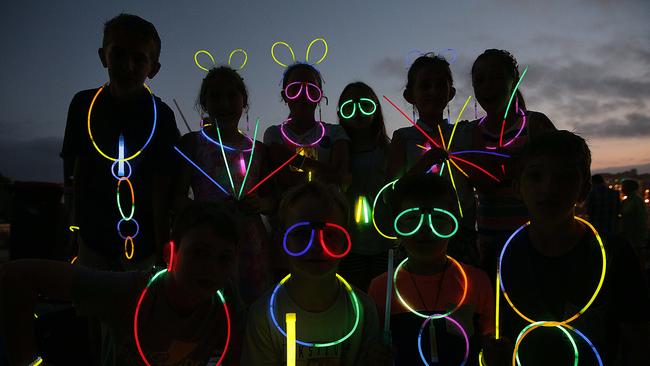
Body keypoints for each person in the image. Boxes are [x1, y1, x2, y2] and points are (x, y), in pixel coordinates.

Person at [0, 202, 244, 366]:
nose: (211, 268)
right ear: (171, 255)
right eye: (198, 253)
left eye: (224, 258)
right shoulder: (129, 291)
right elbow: (17, 275)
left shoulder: (227, 300)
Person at [483, 130, 649, 365]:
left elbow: (638, 337)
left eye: (564, 178)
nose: (549, 188)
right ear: (517, 187)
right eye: (536, 176)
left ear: (584, 189)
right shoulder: (501, 252)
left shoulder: (614, 252)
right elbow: (492, 329)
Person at [60, 13, 179, 270]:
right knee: (91, 307)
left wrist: (162, 251)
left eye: (139, 58)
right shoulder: (83, 105)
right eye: (119, 54)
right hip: (92, 239)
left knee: (136, 308)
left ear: (154, 68)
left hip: (144, 245)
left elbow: (162, 188)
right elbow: (75, 175)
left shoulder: (163, 117)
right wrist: (73, 230)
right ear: (104, 56)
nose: (128, 66)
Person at [241, 181, 382, 365]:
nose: (316, 245)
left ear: (346, 241)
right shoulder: (263, 317)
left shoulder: (363, 310)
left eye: (330, 234)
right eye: (301, 234)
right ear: (282, 239)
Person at [368, 174, 494, 365]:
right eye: (412, 218)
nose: (425, 228)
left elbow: (488, 344)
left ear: (454, 224)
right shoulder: (381, 289)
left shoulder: (476, 283)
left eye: (438, 218)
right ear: (396, 226)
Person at [174, 66, 274, 305]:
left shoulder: (258, 150)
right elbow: (176, 198)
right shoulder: (192, 143)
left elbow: (274, 201)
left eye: (231, 96)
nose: (224, 104)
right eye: (215, 97)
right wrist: (206, 212)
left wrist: (258, 203)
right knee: (211, 310)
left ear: (244, 101)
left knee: (252, 311)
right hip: (208, 243)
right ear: (204, 103)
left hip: (251, 246)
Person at [467, 49, 556, 280]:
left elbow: (558, 171)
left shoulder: (535, 124)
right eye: (480, 80)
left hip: (537, 237)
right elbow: (480, 183)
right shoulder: (474, 131)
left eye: (497, 77)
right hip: (489, 242)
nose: (488, 85)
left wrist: (507, 168)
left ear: (514, 80)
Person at [386, 54, 479, 266]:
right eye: (425, 86)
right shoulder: (403, 137)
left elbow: (478, 179)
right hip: (415, 233)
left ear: (451, 92)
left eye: (440, 85)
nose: (433, 92)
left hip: (460, 233)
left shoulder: (464, 133)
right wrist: (424, 163)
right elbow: (391, 192)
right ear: (410, 95)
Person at [336, 81, 393, 291]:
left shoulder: (389, 151)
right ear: (341, 113)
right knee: (355, 299)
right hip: (350, 244)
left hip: (385, 243)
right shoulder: (339, 153)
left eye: (365, 104)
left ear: (376, 109)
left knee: (385, 301)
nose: (358, 111)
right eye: (349, 106)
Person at [263, 63, 350, 190]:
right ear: (284, 96)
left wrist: (289, 158)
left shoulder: (336, 132)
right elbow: (278, 180)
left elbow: (340, 178)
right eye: (295, 88)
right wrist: (324, 172)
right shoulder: (274, 133)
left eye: (311, 89)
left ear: (319, 96)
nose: (303, 94)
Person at [619, 179, 648, 267]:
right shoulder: (628, 200)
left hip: (635, 236)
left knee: (637, 259)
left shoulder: (636, 201)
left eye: (623, 187)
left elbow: (640, 219)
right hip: (629, 235)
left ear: (629, 188)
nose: (621, 189)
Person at [586, 174, 622, 238]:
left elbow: (588, 210)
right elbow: (619, 210)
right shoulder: (615, 193)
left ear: (593, 182)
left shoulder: (592, 193)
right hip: (612, 227)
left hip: (596, 228)